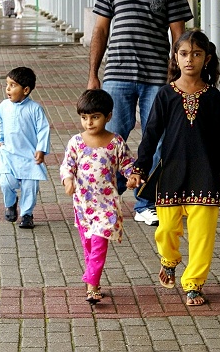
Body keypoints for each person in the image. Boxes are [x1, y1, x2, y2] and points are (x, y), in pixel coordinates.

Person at [89, 0, 194, 226]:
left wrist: (180, 77)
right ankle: (109, 196)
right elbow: (100, 30)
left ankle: (145, 202)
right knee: (111, 138)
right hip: (116, 75)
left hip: (156, 79)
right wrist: (94, 74)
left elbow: (179, 37)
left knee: (158, 139)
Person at [127, 30, 220, 306]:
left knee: (202, 235)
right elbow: (150, 134)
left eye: (196, 54)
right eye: (184, 54)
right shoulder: (165, 94)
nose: (189, 60)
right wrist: (139, 168)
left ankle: (194, 284)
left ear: (206, 59)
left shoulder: (212, 97)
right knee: (167, 228)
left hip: (205, 174)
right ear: (175, 57)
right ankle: (169, 259)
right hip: (171, 171)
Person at [59, 89, 136, 304]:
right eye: (84, 118)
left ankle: (91, 284)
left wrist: (132, 177)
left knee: (100, 243)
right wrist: (68, 181)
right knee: (89, 246)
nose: (89, 123)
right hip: (83, 205)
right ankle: (93, 281)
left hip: (107, 205)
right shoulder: (76, 142)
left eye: (95, 117)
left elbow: (128, 164)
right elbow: (67, 166)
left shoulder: (116, 142)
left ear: (108, 116)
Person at [0, 66, 50, 229]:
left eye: (13, 85)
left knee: (30, 186)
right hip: (7, 153)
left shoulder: (35, 109)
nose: (8, 89)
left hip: (29, 156)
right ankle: (10, 203)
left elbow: (43, 129)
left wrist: (41, 149)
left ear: (25, 89)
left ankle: (27, 214)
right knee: (5, 181)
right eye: (7, 84)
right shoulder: (4, 106)